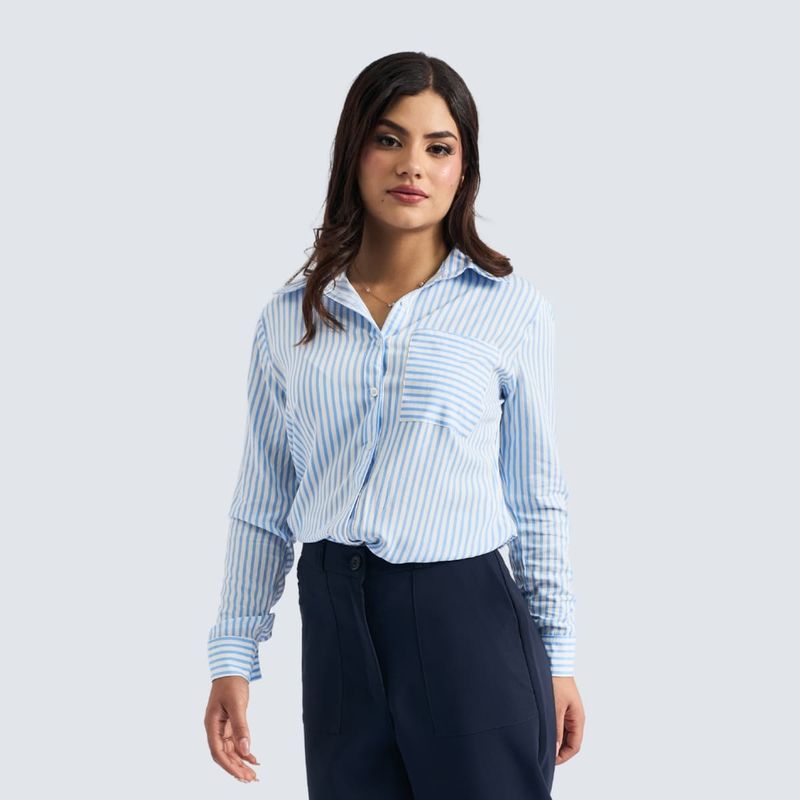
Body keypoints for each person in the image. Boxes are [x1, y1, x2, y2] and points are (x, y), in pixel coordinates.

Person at [203, 50, 585, 799]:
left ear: (463, 170)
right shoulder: (288, 320)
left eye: (439, 147)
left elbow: (538, 496)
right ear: (354, 152)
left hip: (465, 620)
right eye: (389, 139)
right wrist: (233, 653)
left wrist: (560, 653)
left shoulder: (510, 310)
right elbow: (262, 501)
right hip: (334, 621)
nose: (413, 164)